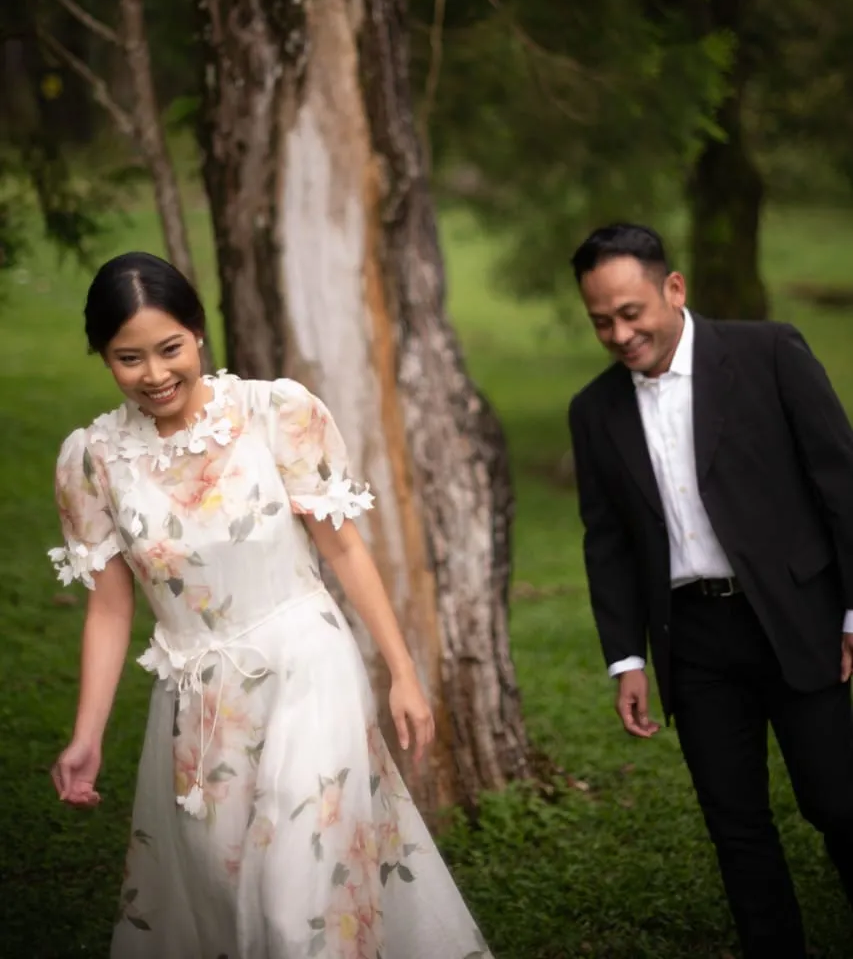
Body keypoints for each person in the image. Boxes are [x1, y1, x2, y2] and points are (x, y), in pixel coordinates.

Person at [49, 251, 492, 959]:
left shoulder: (275, 412)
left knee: (297, 903)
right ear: (104, 356)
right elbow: (109, 609)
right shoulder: (92, 461)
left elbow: (343, 548)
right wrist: (87, 735)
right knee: (227, 895)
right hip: (199, 707)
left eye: (170, 348)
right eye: (129, 358)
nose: (155, 374)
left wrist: (403, 671)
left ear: (198, 331)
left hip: (307, 667)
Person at [567, 223, 853, 959]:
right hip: (691, 640)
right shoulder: (593, 411)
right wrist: (626, 658)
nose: (619, 335)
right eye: (601, 322)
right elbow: (606, 542)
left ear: (673, 288)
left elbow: (840, 483)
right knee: (736, 824)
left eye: (630, 313)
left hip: (794, 616)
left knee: (837, 802)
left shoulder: (769, 353)